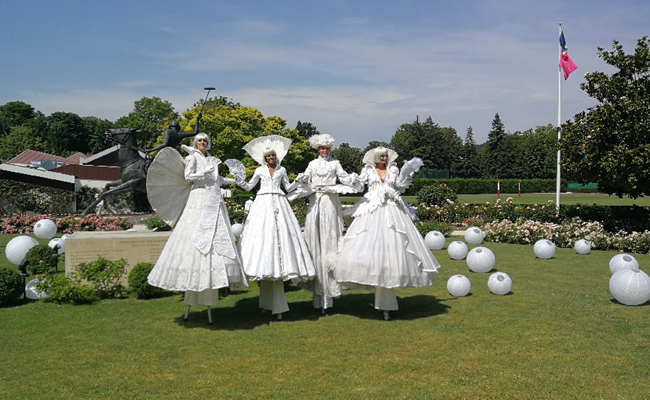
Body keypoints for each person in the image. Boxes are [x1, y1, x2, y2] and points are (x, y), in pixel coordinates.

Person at [147, 133, 248, 323]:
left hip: (214, 199)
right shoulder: (191, 157)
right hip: (199, 197)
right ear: (196, 143)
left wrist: (235, 180)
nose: (203, 143)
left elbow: (218, 179)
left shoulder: (212, 160)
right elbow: (188, 176)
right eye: (200, 141)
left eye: (205, 141)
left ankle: (211, 280)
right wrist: (204, 173)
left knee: (216, 236)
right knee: (196, 234)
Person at [334, 147, 439, 321]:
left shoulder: (393, 169)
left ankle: (386, 301)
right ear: (375, 158)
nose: (384, 158)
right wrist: (352, 180)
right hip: (372, 210)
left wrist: (407, 173)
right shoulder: (368, 170)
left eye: (385, 156)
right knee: (368, 246)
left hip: (391, 210)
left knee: (395, 247)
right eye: (381, 156)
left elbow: (399, 186)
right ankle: (381, 298)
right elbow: (360, 184)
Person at [235, 135, 316, 320]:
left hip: (279, 203)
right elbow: (249, 187)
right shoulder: (259, 170)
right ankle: (267, 300)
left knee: (281, 236)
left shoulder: (282, 170)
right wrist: (240, 179)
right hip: (262, 204)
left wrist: (299, 181)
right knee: (264, 237)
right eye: (268, 156)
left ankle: (272, 302)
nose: (271, 158)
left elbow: (288, 187)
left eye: (273, 155)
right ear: (264, 158)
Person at [292, 134, 358, 313]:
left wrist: (352, 180)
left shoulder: (335, 163)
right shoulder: (312, 164)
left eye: (327, 148)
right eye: (322, 148)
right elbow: (306, 177)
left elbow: (343, 178)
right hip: (316, 202)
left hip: (330, 201)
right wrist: (302, 179)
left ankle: (330, 291)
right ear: (318, 149)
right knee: (315, 238)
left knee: (330, 236)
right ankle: (317, 290)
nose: (325, 150)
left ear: (330, 149)